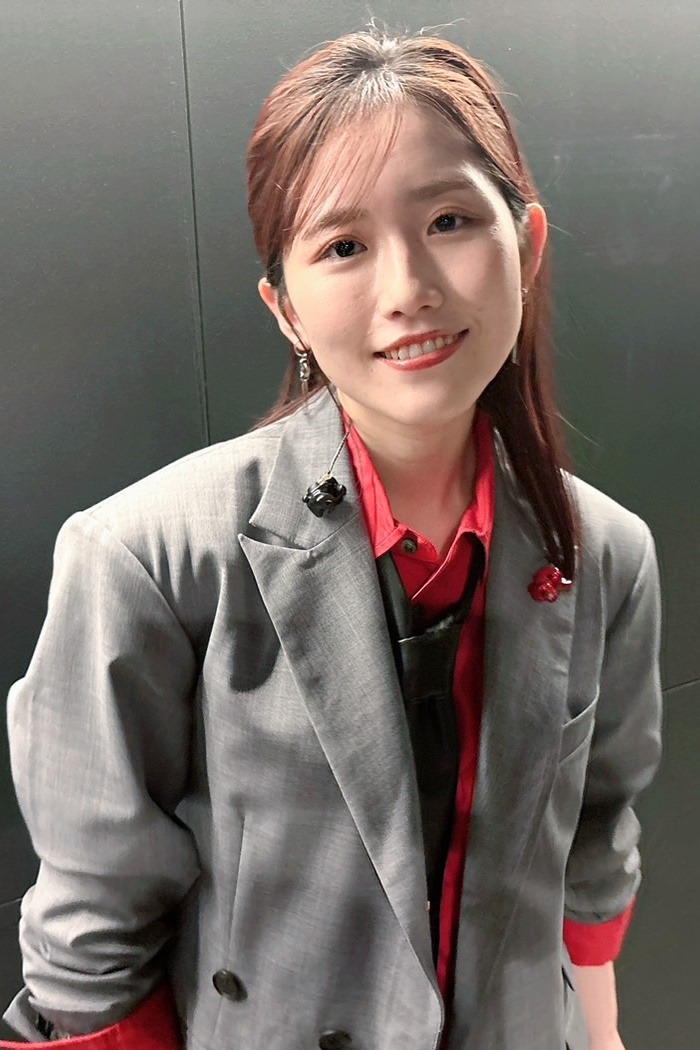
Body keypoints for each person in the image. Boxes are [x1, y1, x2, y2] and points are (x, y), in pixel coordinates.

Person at [1, 26, 662, 1050]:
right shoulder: (148, 560)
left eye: (449, 220)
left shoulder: (606, 551)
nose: (408, 290)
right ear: (286, 308)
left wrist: (605, 1037)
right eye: (344, 246)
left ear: (526, 244)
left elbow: (595, 843)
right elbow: (90, 943)